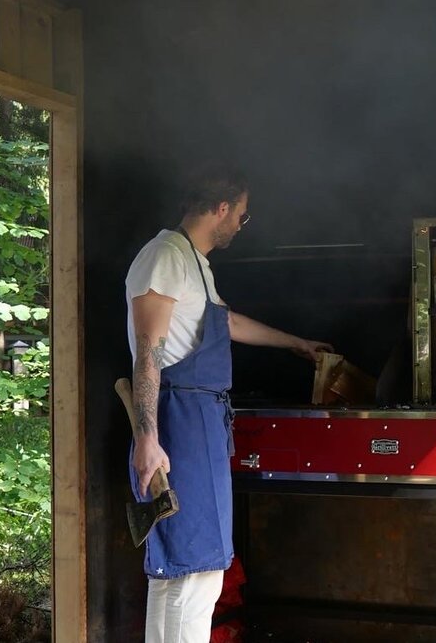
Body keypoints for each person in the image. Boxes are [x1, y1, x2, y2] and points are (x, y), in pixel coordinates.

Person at [125, 165, 332, 643]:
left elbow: (227, 322)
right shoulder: (165, 257)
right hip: (179, 420)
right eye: (241, 214)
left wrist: (296, 343)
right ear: (221, 208)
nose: (241, 223)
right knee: (193, 571)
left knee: (184, 572)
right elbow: (148, 351)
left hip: (201, 420)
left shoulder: (195, 263)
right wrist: (147, 438)